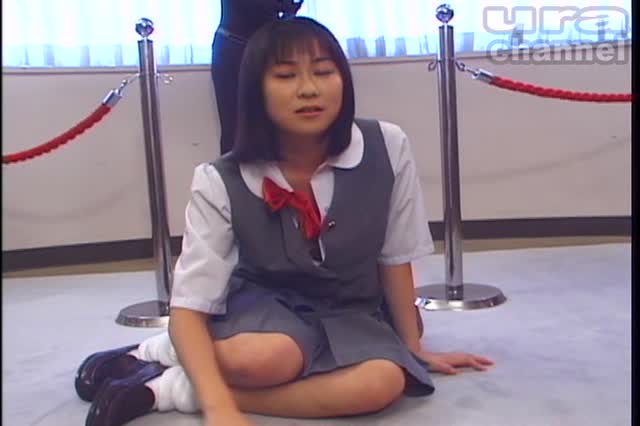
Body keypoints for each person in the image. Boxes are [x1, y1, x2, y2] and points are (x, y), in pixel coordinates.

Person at [75, 16, 494, 426]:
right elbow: (190, 304)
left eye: (324, 72)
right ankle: (155, 353)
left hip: (352, 308)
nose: (309, 89)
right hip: (261, 306)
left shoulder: (386, 145)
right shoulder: (220, 178)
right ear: (255, 91)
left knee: (381, 384)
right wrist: (220, 412)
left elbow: (395, 255)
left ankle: (173, 388)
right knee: (267, 359)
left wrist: (413, 348)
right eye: (286, 76)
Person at [212, 0, 303, 155]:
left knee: (277, 121)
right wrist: (284, 6)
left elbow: (289, 7)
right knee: (235, 126)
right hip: (234, 48)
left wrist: (288, 9)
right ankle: (233, 170)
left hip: (269, 46)